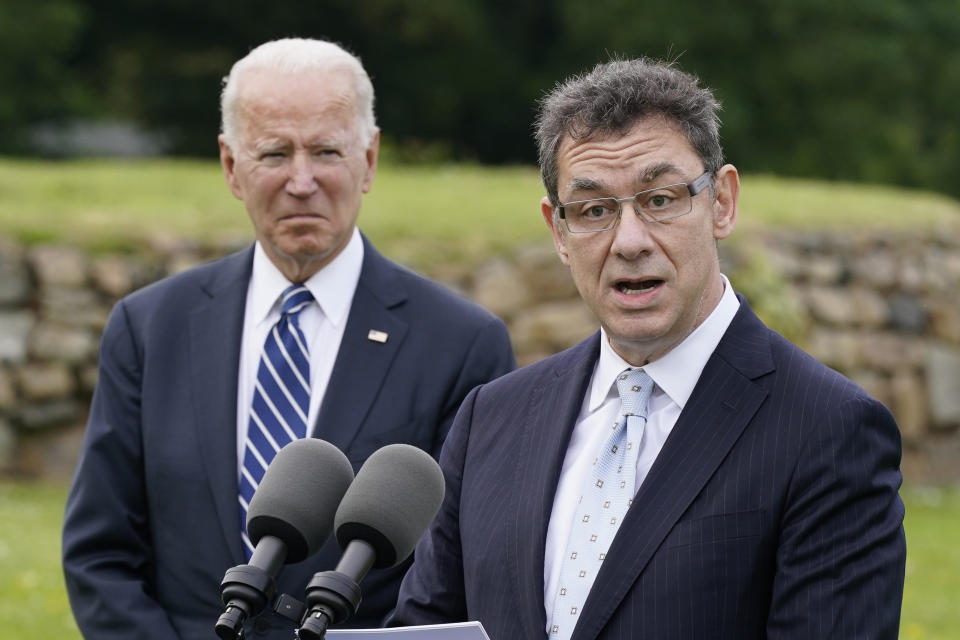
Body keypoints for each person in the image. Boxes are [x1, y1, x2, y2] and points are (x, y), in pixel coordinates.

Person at [390, 57, 906, 639]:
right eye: (593, 211)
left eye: (660, 199)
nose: (629, 241)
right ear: (558, 232)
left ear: (723, 202)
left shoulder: (829, 430)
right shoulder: (491, 419)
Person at [62, 38, 515, 640]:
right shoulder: (150, 328)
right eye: (274, 153)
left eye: (327, 151)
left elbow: (465, 568)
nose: (302, 181)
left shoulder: (462, 344)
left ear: (370, 159)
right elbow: (101, 554)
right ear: (230, 166)